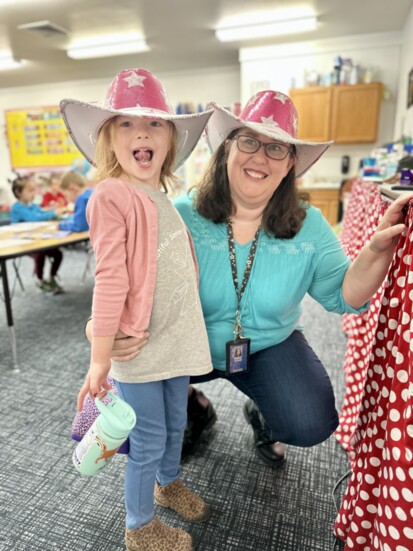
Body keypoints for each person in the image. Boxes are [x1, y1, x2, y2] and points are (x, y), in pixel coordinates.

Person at [99, 89, 413, 471]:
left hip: (266, 347)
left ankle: (263, 413)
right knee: (137, 415)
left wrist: (376, 252)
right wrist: (98, 329)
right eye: (249, 141)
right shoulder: (180, 214)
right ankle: (190, 403)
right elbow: (123, 275)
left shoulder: (308, 224)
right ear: (228, 149)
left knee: (309, 421)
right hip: (183, 345)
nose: (260, 156)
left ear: (290, 164)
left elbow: (345, 295)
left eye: (277, 148)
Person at [61, 68, 214, 551]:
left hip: (174, 340)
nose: (142, 132)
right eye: (125, 123)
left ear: (170, 139)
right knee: (146, 439)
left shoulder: (162, 196)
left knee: (175, 424)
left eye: (154, 123)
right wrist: (100, 357)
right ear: (108, 139)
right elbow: (110, 277)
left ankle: (167, 484)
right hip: (140, 348)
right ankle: (139, 525)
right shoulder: (111, 195)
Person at [10, 174, 66, 293]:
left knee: (57, 254)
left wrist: (53, 210)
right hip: (23, 242)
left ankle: (51, 277)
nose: (34, 193)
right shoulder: (17, 207)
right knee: (40, 255)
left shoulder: (33, 205)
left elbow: (41, 212)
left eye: (34, 190)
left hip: (38, 240)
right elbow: (34, 218)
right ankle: (39, 280)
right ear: (19, 192)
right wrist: (53, 213)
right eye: (30, 190)